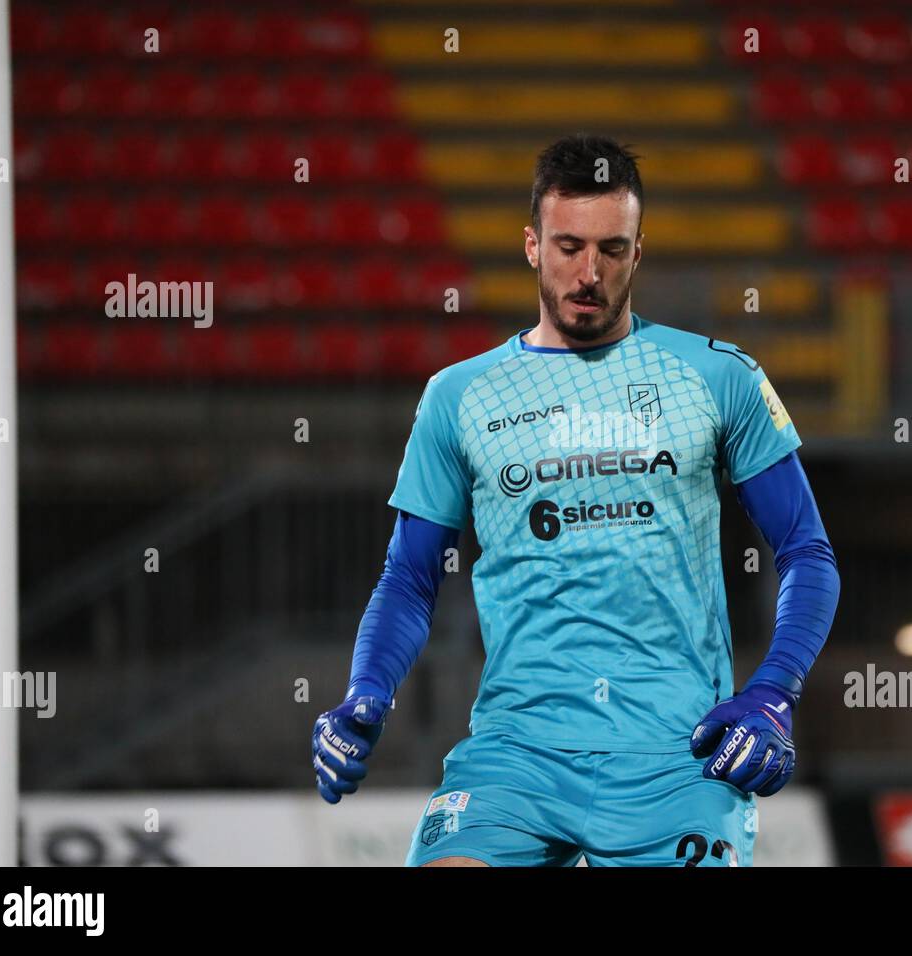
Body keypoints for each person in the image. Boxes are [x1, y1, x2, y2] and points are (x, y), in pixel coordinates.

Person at [312, 134, 840, 866]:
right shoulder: (458, 396)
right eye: (568, 246)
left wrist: (774, 694)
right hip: (515, 756)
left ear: (639, 251)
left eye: (612, 250)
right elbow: (408, 576)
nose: (589, 273)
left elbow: (807, 553)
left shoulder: (719, 378)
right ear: (532, 245)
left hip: (677, 756)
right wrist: (366, 692)